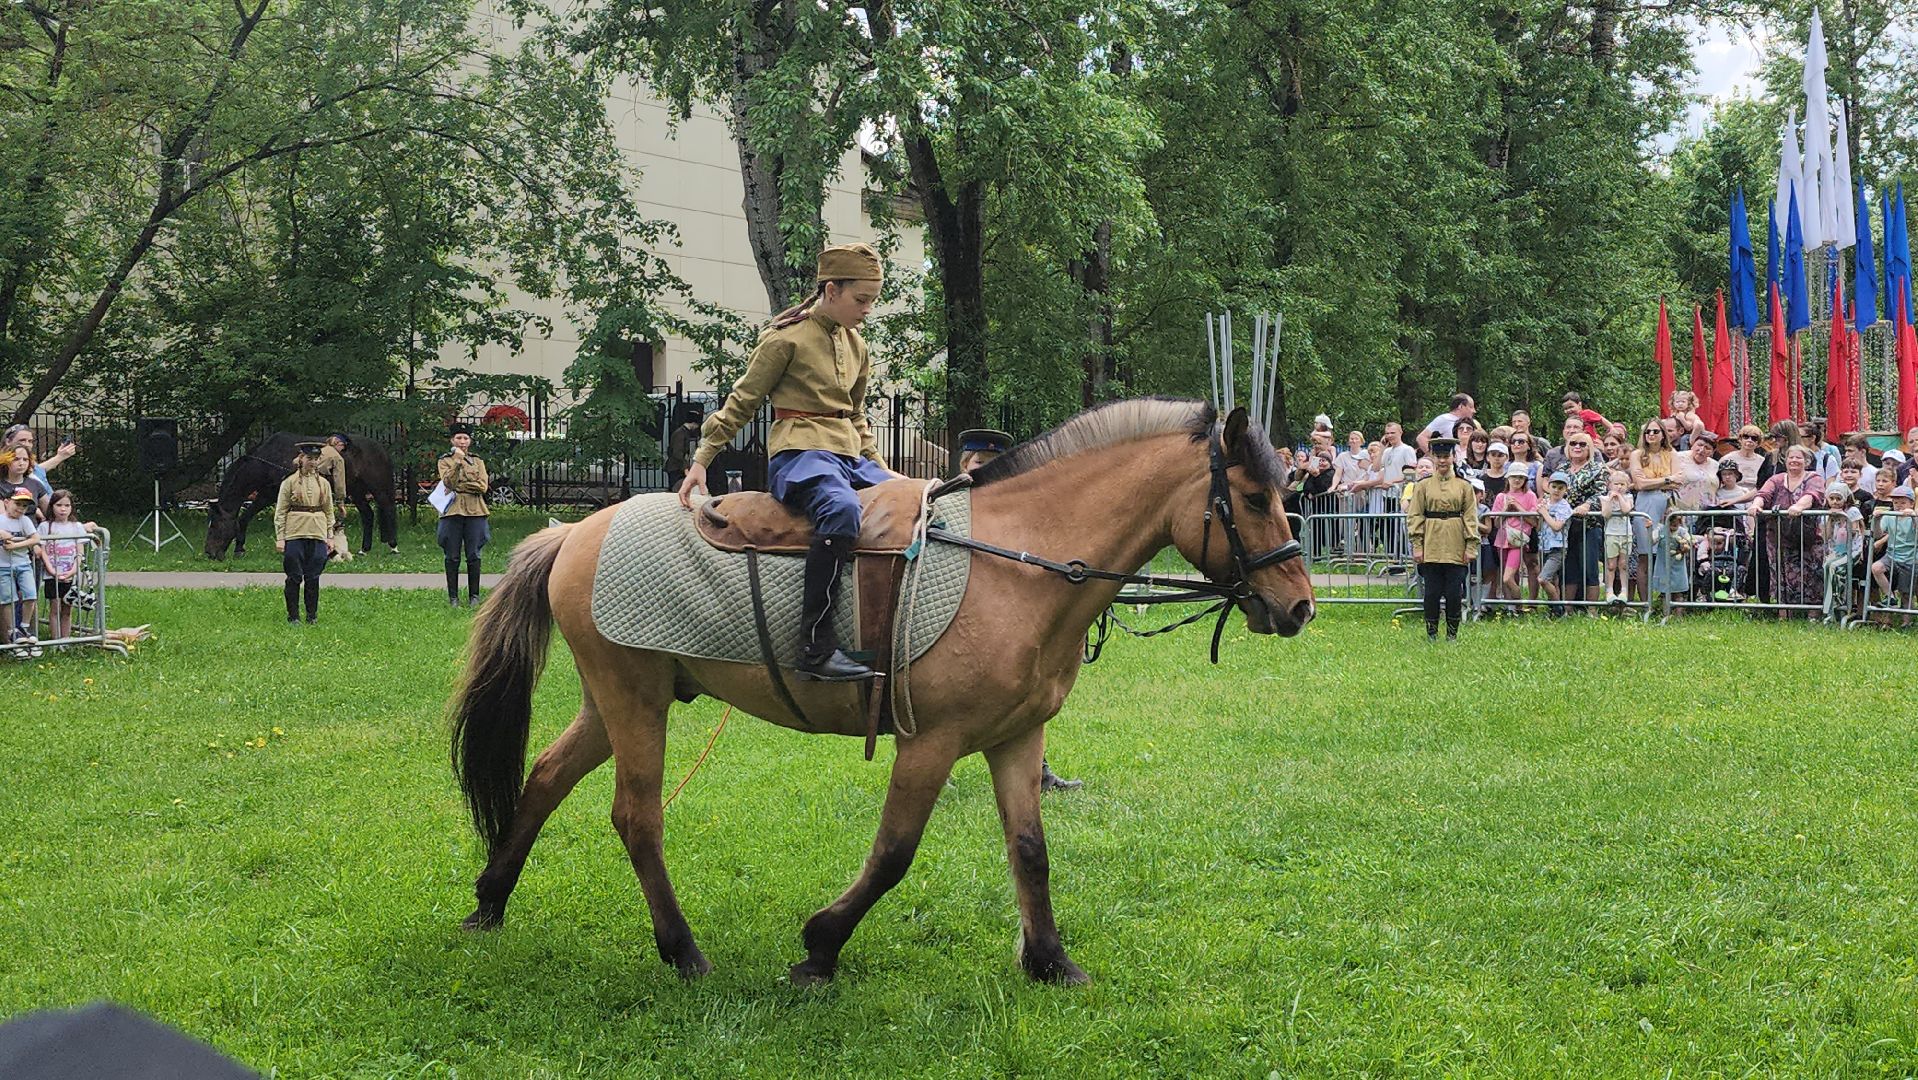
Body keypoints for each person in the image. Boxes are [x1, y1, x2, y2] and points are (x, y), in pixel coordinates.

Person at [678, 243, 904, 681]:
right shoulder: (786, 339)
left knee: (915, 503)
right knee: (840, 510)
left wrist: (882, 467)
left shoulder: (857, 346)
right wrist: (702, 458)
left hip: (848, 457)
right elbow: (742, 401)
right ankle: (814, 648)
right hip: (801, 455)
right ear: (832, 290)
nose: (868, 310)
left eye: (873, 301)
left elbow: (855, 416)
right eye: (862, 300)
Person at [954, 430, 1083, 792]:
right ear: (965, 464)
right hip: (964, 617)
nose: (984, 471)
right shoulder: (949, 504)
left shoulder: (1016, 508)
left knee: (1028, 691)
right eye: (979, 463)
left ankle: (1038, 772)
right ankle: (936, 763)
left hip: (1008, 619)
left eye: (994, 466)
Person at [1405, 436, 1479, 641]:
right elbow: (1415, 515)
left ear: (1453, 457)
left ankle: (1452, 634)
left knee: (1454, 593)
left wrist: (1471, 545)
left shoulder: (1464, 486)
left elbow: (1470, 517)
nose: (1442, 461)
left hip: (1456, 543)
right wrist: (1417, 544)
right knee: (1432, 593)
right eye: (1438, 457)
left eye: (1446, 456)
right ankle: (1431, 633)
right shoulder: (1423, 486)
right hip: (1431, 542)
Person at [1750, 444, 1826, 615]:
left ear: (1806, 461)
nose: (1794, 460)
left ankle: (1812, 615)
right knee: (1779, 574)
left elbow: (1812, 495)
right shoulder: (1776, 479)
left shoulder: (1814, 478)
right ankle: (1784, 614)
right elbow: (1764, 494)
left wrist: (1799, 506)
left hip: (1807, 537)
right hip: (1777, 537)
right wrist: (1756, 505)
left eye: (1798, 457)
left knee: (1811, 574)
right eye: (1791, 457)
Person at [275, 443, 334, 624]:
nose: (313, 463)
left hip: (317, 533)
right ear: (301, 459)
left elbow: (328, 510)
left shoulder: (323, 484)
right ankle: (293, 616)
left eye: (316, 459)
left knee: (313, 577)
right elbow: (281, 511)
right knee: (294, 576)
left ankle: (312, 616)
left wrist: (330, 535)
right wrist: (280, 537)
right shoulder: (289, 482)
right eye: (309, 459)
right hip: (295, 533)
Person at [1629, 420, 1684, 601]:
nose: (1651, 434)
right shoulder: (1637, 454)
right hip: (1646, 503)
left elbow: (1680, 479)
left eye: (1655, 431)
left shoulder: (1671, 453)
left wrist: (1654, 482)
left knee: (1669, 550)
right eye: (1647, 432)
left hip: (1667, 503)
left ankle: (1669, 601)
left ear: (1663, 434)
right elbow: (1640, 484)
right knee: (1645, 555)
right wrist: (1667, 480)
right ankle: (1646, 603)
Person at [437, 422, 491, 608]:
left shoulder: (478, 461)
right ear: (452, 440)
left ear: (470, 441)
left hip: (476, 511)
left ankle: (474, 596)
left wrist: (461, 485)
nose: (462, 441)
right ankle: (453, 598)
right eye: (458, 438)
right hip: (452, 512)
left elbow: (482, 487)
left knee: (474, 555)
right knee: (452, 556)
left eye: (465, 438)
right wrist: (458, 463)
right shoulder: (445, 461)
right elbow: (449, 483)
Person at [36, 490, 93, 643]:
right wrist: (51, 570)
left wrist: (74, 569)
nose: (63, 509)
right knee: (55, 608)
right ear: (52, 506)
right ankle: (55, 641)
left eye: (67, 505)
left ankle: (66, 640)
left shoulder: (77, 527)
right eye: (59, 505)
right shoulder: (45, 527)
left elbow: (80, 552)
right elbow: (43, 551)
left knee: (67, 608)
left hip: (70, 575)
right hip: (51, 574)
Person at [1491, 467, 1538, 613]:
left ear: (1525, 480)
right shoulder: (1501, 496)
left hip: (1518, 540)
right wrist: (1505, 508)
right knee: (1508, 575)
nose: (1517, 480)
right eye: (1513, 477)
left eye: (1520, 477)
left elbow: (1534, 521)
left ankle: (1519, 605)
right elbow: (1497, 523)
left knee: (1507, 578)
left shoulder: (1530, 495)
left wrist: (1518, 508)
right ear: (1508, 478)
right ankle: (1511, 607)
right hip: (1502, 539)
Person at [1, 487, 41, 654]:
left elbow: (35, 538)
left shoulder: (24, 520)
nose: (20, 509)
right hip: (2, 566)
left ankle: (24, 626)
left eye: (24, 506)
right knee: (7, 599)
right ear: (7, 502)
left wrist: (16, 545)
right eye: (17, 504)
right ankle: (11, 630)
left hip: (23, 563)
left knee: (30, 595)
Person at [1869, 487, 1918, 622]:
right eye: (1896, 503)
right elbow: (1879, 534)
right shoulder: (1890, 516)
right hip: (1891, 555)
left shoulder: (1914, 514)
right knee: (1876, 568)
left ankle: (1906, 621)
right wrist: (1877, 519)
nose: (1899, 506)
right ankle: (1890, 596)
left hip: (1910, 558)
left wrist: (1913, 517)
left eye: (1903, 503)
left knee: (1906, 592)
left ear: (1911, 503)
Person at [1536, 472, 1573, 615]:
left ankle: (1559, 608)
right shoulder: (1544, 503)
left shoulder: (1564, 506)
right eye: (1554, 486)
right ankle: (1553, 610)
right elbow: (1539, 527)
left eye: (1561, 488)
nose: (1557, 490)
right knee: (1553, 580)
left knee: (1543, 579)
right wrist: (1540, 514)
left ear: (1565, 490)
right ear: (1548, 487)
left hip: (1557, 547)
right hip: (1543, 545)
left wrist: (1544, 513)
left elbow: (1557, 526)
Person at [1599, 471, 1634, 603]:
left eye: (1622, 484)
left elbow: (1626, 510)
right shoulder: (1604, 498)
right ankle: (1609, 591)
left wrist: (1619, 498)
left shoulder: (1629, 497)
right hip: (1611, 534)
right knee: (1611, 565)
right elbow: (1606, 514)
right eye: (1616, 484)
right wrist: (1609, 500)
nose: (1619, 487)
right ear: (1609, 485)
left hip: (1625, 534)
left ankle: (1624, 591)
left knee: (1623, 564)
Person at [664, 407, 704, 495]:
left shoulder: (682, 432)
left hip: (677, 468)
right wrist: (686, 468)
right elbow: (677, 453)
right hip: (676, 468)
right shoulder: (680, 434)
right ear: (693, 423)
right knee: (678, 490)